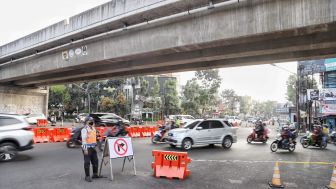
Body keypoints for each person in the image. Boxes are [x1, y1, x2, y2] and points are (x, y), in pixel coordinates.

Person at [81, 117, 101, 182]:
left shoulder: (93, 128)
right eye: (90, 121)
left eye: (92, 121)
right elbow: (83, 140)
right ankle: (87, 176)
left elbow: (94, 137)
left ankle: (95, 174)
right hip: (87, 148)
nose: (91, 122)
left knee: (95, 161)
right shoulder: (85, 129)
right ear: (86, 122)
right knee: (87, 162)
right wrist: (85, 149)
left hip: (93, 147)